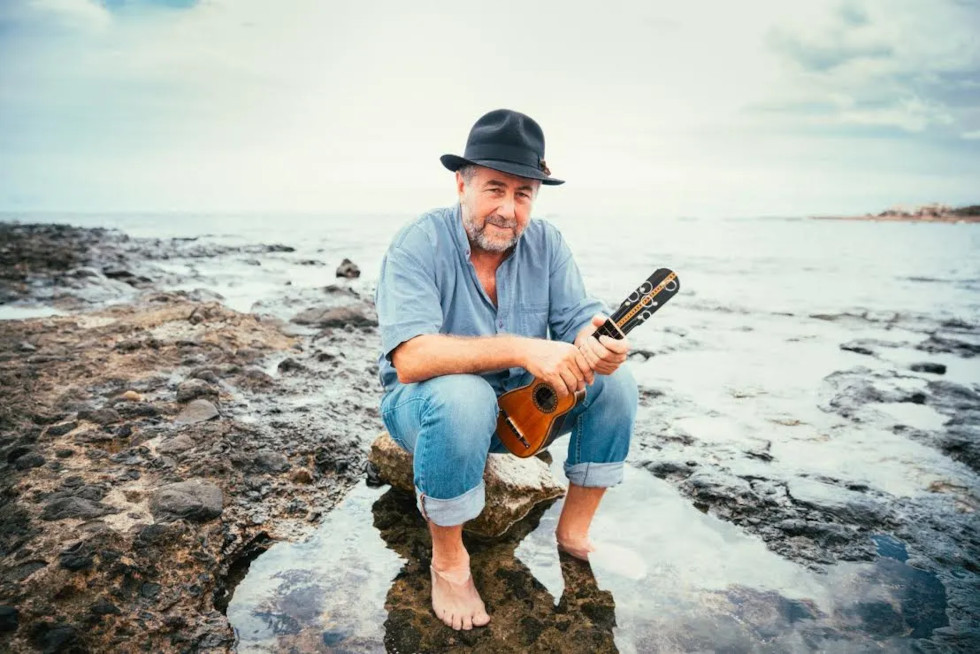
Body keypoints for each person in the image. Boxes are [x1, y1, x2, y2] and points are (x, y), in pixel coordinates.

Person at [375, 109, 638, 631]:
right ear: (462, 184)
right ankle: (449, 561)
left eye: (523, 194)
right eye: (495, 189)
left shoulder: (547, 243)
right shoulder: (418, 243)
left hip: (522, 413)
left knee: (615, 382)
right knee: (464, 396)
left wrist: (597, 343)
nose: (508, 209)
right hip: (428, 411)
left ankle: (574, 534)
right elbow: (411, 359)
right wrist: (521, 349)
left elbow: (577, 319)